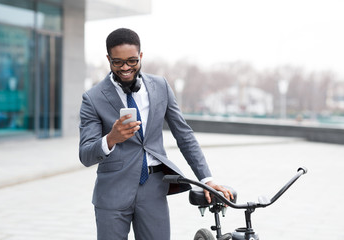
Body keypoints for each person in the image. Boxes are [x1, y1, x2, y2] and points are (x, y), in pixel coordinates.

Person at [79, 28, 233, 240]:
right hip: (112, 192)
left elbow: (184, 135)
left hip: (153, 190)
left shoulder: (160, 87)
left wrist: (206, 178)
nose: (125, 67)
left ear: (141, 56)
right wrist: (111, 138)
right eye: (117, 62)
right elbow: (85, 155)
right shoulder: (92, 98)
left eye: (132, 61)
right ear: (108, 59)